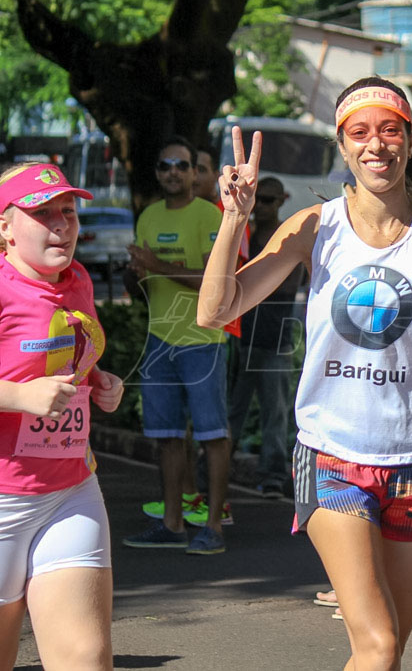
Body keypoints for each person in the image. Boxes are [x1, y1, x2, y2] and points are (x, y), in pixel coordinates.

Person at [197, 76, 412, 669]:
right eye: (359, 133)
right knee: (378, 643)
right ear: (343, 146)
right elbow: (215, 311)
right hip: (333, 455)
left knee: (387, 650)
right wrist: (233, 219)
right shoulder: (314, 228)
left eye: (390, 130)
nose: (376, 145)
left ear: (409, 139)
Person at [0, 163, 125, 669]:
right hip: (4, 499)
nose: (62, 224)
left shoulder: (77, 281)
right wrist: (16, 396)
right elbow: (24, 382)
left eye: (68, 211)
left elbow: (65, 354)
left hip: (71, 491)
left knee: (86, 658)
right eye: (42, 212)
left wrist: (99, 380)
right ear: (4, 225)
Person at [122, 137, 232, 555]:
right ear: (157, 172)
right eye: (165, 165)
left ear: (192, 172)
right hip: (159, 341)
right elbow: (147, 285)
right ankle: (172, 525)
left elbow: (214, 281)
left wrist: (155, 265)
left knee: (212, 435)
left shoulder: (209, 214)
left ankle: (214, 528)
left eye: (181, 165)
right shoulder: (148, 216)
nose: (173, 171)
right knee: (167, 436)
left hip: (204, 340)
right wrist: (135, 274)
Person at [227, 177, 302, 499]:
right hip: (242, 337)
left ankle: (272, 475)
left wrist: (245, 283)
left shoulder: (289, 237)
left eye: (269, 201)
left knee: (276, 412)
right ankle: (214, 472)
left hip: (275, 339)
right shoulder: (245, 235)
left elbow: (284, 286)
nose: (261, 207)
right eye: (259, 200)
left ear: (282, 200)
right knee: (232, 410)